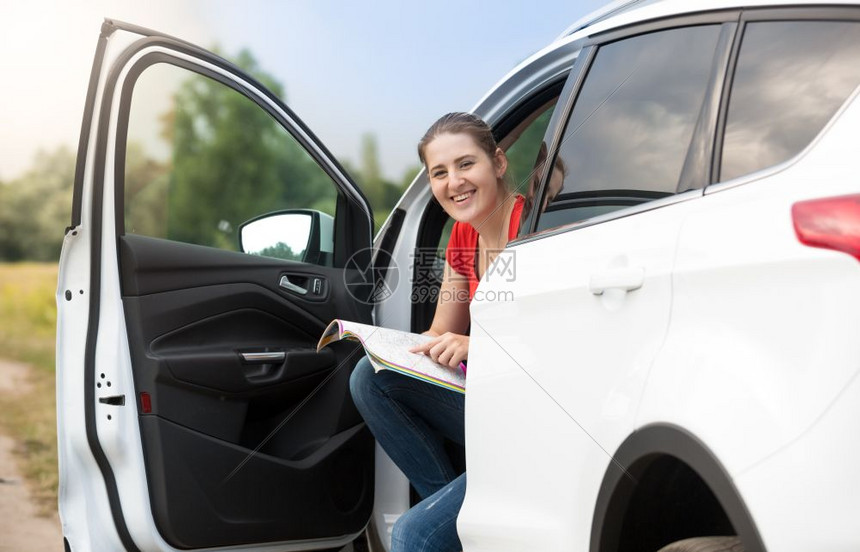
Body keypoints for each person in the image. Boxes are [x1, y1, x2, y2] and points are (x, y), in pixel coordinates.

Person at [349, 112, 525, 552]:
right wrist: (387, 347)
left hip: (531, 410)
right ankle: (459, 517)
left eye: (466, 164)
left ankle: (452, 523)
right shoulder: (463, 236)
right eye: (439, 172)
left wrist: (475, 347)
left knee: (412, 535)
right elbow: (439, 330)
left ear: (498, 163)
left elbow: (547, 343)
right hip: (488, 402)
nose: (454, 182)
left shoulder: (532, 227)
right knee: (370, 377)